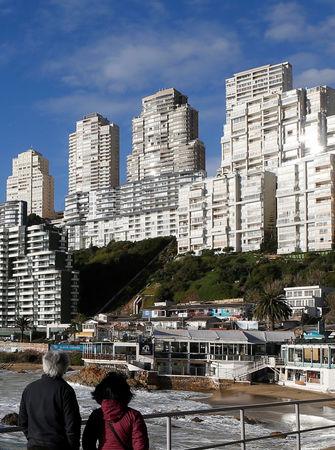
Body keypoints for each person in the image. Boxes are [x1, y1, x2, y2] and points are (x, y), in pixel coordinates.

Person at [19, 350, 81, 450]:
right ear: (65, 367)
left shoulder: (29, 388)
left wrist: (33, 438)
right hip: (58, 446)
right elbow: (72, 424)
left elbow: (22, 421)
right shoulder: (65, 390)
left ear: (44, 366)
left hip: (33, 445)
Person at [82, 372, 149, 450]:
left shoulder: (96, 415)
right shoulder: (133, 416)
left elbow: (87, 443)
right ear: (125, 393)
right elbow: (141, 446)